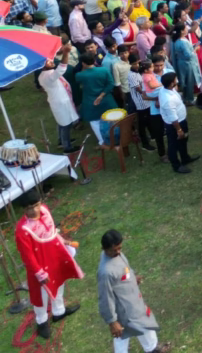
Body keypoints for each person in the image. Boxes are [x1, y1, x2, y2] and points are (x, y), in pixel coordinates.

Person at [14, 189, 84, 340]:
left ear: (41, 202)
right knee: (41, 294)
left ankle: (59, 311)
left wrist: (63, 241)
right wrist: (39, 272)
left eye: (36, 205)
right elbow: (27, 256)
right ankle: (41, 321)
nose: (34, 210)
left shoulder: (45, 210)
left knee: (59, 283)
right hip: (40, 266)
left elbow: (51, 232)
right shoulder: (22, 230)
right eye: (28, 208)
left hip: (55, 256)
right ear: (23, 210)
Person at [97, 229, 172, 353]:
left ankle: (153, 348)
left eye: (119, 248)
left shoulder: (115, 254)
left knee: (144, 326)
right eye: (114, 250)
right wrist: (112, 322)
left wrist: (132, 277)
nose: (118, 252)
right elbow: (105, 298)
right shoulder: (106, 272)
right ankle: (152, 348)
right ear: (104, 249)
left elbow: (123, 269)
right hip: (125, 310)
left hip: (133, 303)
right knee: (123, 335)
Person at [39, 42, 79, 153]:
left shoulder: (47, 73)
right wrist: (66, 53)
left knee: (61, 122)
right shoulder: (48, 76)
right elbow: (61, 68)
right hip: (60, 102)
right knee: (65, 124)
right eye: (48, 61)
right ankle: (67, 147)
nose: (51, 61)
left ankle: (61, 141)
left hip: (61, 100)